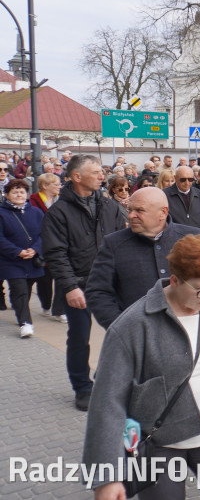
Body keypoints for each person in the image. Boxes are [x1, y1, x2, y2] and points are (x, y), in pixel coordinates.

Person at [84, 235, 200, 500]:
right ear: (175, 281)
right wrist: (107, 476)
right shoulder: (132, 326)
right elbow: (107, 403)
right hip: (159, 446)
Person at [41, 155, 122, 411]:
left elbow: (122, 241)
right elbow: (56, 253)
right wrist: (70, 287)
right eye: (96, 172)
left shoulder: (109, 206)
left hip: (111, 283)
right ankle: (82, 387)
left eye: (101, 172)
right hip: (79, 284)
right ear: (77, 177)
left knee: (122, 334)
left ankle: (111, 378)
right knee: (79, 338)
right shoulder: (58, 212)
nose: (102, 176)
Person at [86, 187, 200, 329]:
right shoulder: (113, 244)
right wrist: (121, 327)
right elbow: (97, 292)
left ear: (163, 213)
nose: (131, 216)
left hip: (190, 331)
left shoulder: (193, 238)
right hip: (136, 334)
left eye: (139, 210)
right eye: (130, 210)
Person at [0, 179, 45, 338]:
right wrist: (17, 251)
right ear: (7, 195)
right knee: (19, 289)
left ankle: (19, 308)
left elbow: (44, 234)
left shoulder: (37, 212)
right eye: (15, 192)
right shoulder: (2, 213)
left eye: (22, 192)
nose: (19, 194)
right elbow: (1, 238)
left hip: (32, 259)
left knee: (24, 290)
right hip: (10, 260)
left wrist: (35, 249)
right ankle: (25, 323)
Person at [28, 172, 60, 319]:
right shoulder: (34, 200)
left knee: (61, 277)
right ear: (45, 186)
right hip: (42, 243)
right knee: (44, 279)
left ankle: (59, 309)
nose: (59, 186)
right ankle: (46, 306)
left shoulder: (60, 200)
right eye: (55, 184)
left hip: (59, 242)